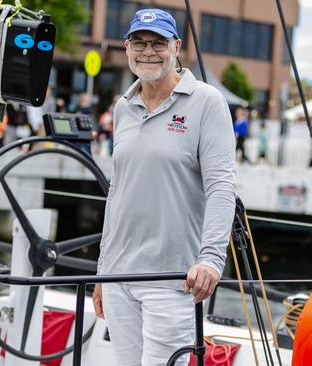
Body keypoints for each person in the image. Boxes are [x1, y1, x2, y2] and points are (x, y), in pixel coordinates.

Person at [92, 9, 236, 366]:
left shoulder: (206, 102)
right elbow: (118, 192)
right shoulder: (123, 107)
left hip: (172, 280)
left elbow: (221, 186)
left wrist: (211, 259)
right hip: (118, 277)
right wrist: (101, 270)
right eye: (139, 42)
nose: (148, 51)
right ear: (127, 48)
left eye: (158, 43)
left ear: (176, 47)